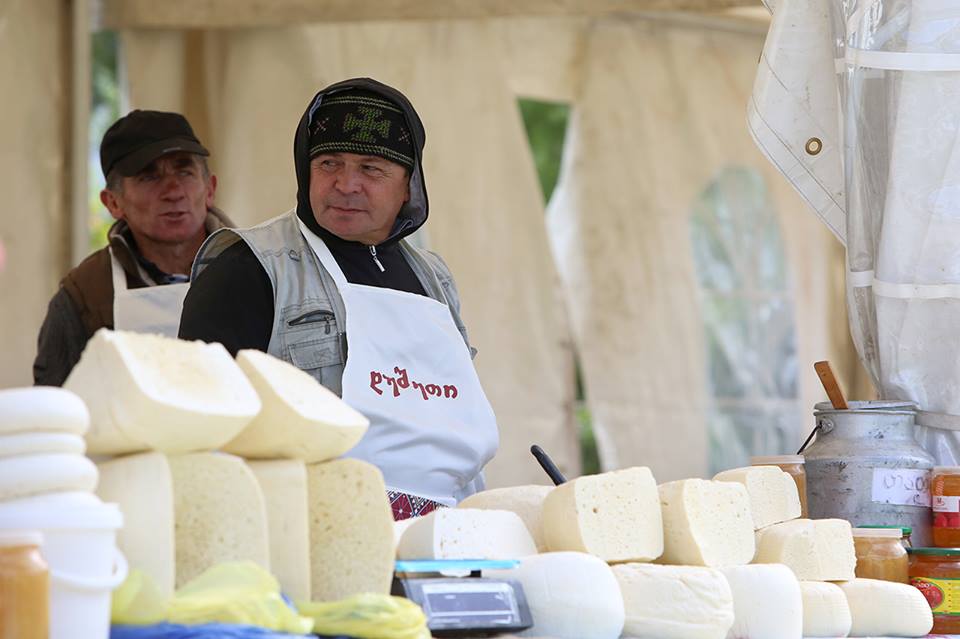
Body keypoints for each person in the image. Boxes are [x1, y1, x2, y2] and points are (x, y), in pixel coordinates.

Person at [179, 78, 498, 519]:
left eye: (371, 168)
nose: (346, 184)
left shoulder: (435, 279)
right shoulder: (249, 267)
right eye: (329, 163)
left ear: (408, 185)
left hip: (451, 529)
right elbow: (199, 432)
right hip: (311, 528)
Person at [34, 110, 231, 386]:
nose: (173, 191)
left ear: (210, 189)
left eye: (185, 172)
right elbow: (55, 404)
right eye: (149, 177)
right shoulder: (84, 296)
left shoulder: (258, 271)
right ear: (113, 202)